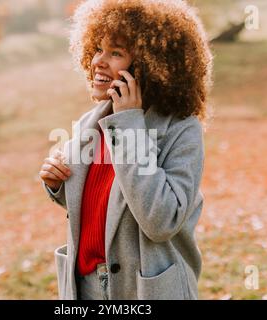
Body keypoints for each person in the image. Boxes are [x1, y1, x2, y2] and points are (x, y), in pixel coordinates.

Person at [39, 0, 212, 300]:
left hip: (144, 289)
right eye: (97, 49)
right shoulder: (89, 124)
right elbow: (104, 207)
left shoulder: (182, 130)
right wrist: (57, 185)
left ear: (151, 65)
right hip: (85, 287)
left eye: (116, 53)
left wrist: (129, 125)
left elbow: (160, 220)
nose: (98, 61)